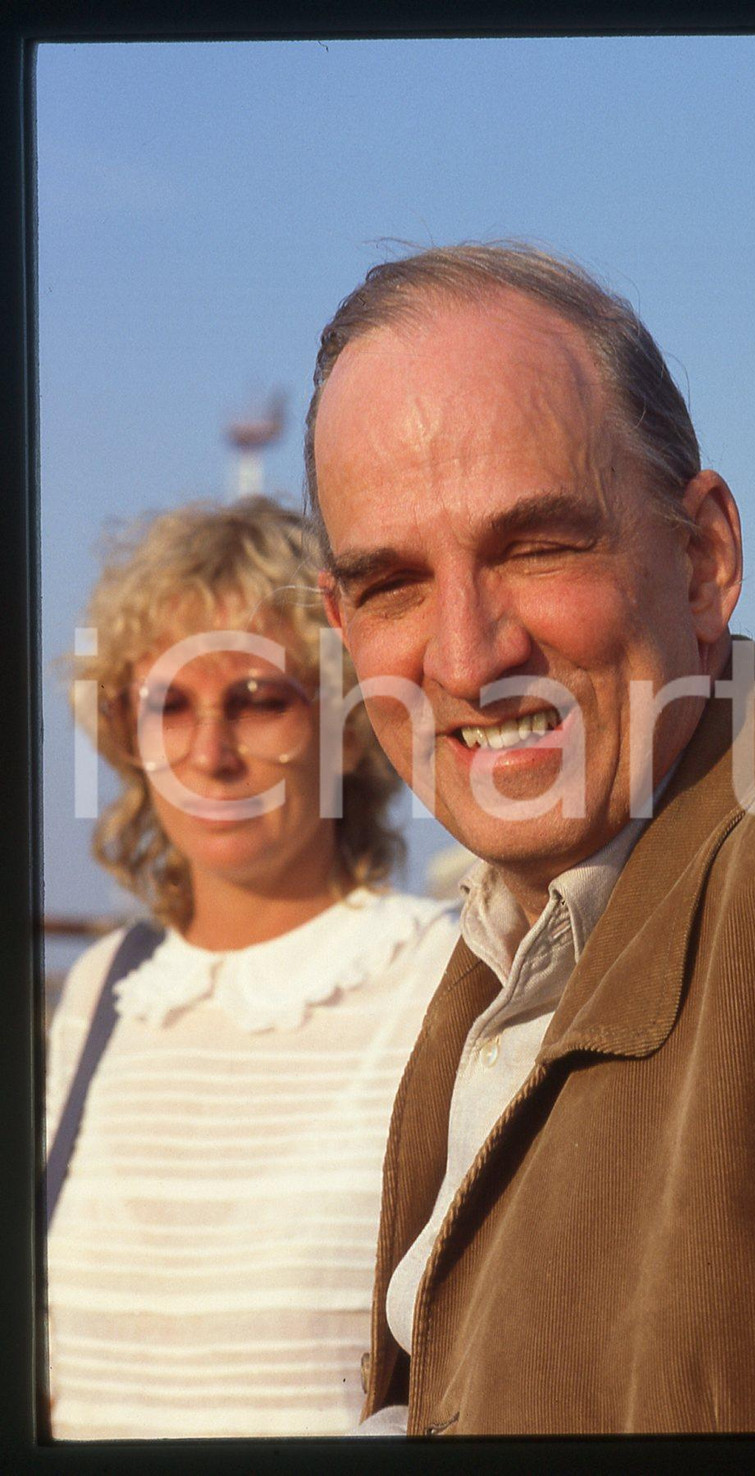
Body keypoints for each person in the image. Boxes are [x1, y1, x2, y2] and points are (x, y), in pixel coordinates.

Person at [306, 244, 755, 1435]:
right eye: (392, 583)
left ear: (703, 557)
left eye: (536, 546)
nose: (464, 656)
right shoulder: (513, 937)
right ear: (338, 622)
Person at [45, 496, 458, 1439]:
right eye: (167, 705)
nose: (208, 754)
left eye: (259, 699)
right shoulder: (102, 991)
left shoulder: (445, 976)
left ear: (348, 726)